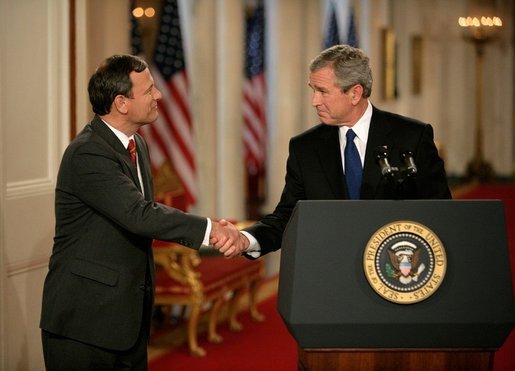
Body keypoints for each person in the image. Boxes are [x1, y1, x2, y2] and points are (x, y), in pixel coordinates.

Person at [40, 54, 240, 370]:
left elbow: (144, 211)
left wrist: (208, 223)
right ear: (121, 102)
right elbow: (138, 214)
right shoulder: (88, 153)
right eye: (149, 91)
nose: (158, 95)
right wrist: (208, 230)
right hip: (86, 323)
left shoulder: (136, 145)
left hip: (126, 319)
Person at [214, 44, 452, 259]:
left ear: (355, 93)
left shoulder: (412, 137)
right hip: (332, 273)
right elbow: (287, 216)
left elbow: (441, 212)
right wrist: (246, 239)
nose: (314, 101)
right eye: (313, 90)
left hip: (398, 267)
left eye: (323, 91)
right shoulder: (304, 147)